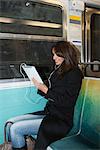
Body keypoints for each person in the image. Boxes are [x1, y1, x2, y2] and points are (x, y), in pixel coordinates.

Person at [6, 41, 83, 150]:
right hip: (49, 112)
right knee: (10, 123)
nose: (54, 58)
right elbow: (52, 92)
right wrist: (40, 86)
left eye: (56, 54)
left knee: (15, 129)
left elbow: (66, 102)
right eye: (53, 55)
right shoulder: (59, 70)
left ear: (65, 54)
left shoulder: (75, 74)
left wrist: (46, 90)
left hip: (61, 120)